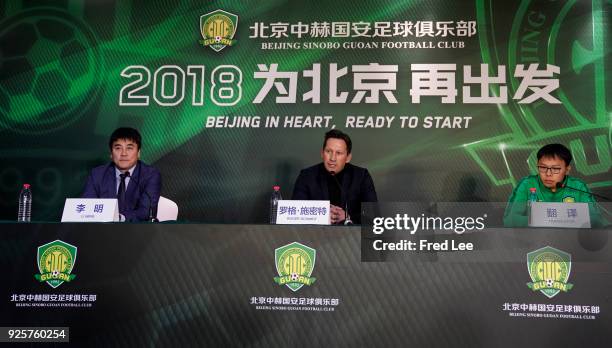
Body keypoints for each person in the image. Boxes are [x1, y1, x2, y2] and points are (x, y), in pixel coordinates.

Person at [503, 143, 604, 227]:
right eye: (542, 167)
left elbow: (596, 221)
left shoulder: (578, 187)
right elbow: (511, 220)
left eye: (555, 169)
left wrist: (543, 219)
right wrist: (560, 220)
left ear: (567, 169)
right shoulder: (527, 185)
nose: (548, 174)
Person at [292, 129, 377, 224]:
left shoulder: (361, 176)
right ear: (322, 153)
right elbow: (295, 212)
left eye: (338, 153)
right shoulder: (307, 176)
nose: (332, 158)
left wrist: (347, 216)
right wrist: (322, 215)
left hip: (351, 236)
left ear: (348, 157)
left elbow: (373, 215)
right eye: (328, 151)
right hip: (315, 235)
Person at [82, 127, 161, 222]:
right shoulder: (97, 174)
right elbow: (87, 207)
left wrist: (119, 218)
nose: (124, 153)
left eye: (129, 148)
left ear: (139, 153)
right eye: (118, 148)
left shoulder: (150, 175)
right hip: (102, 231)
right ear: (111, 153)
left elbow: (146, 211)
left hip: (136, 232)